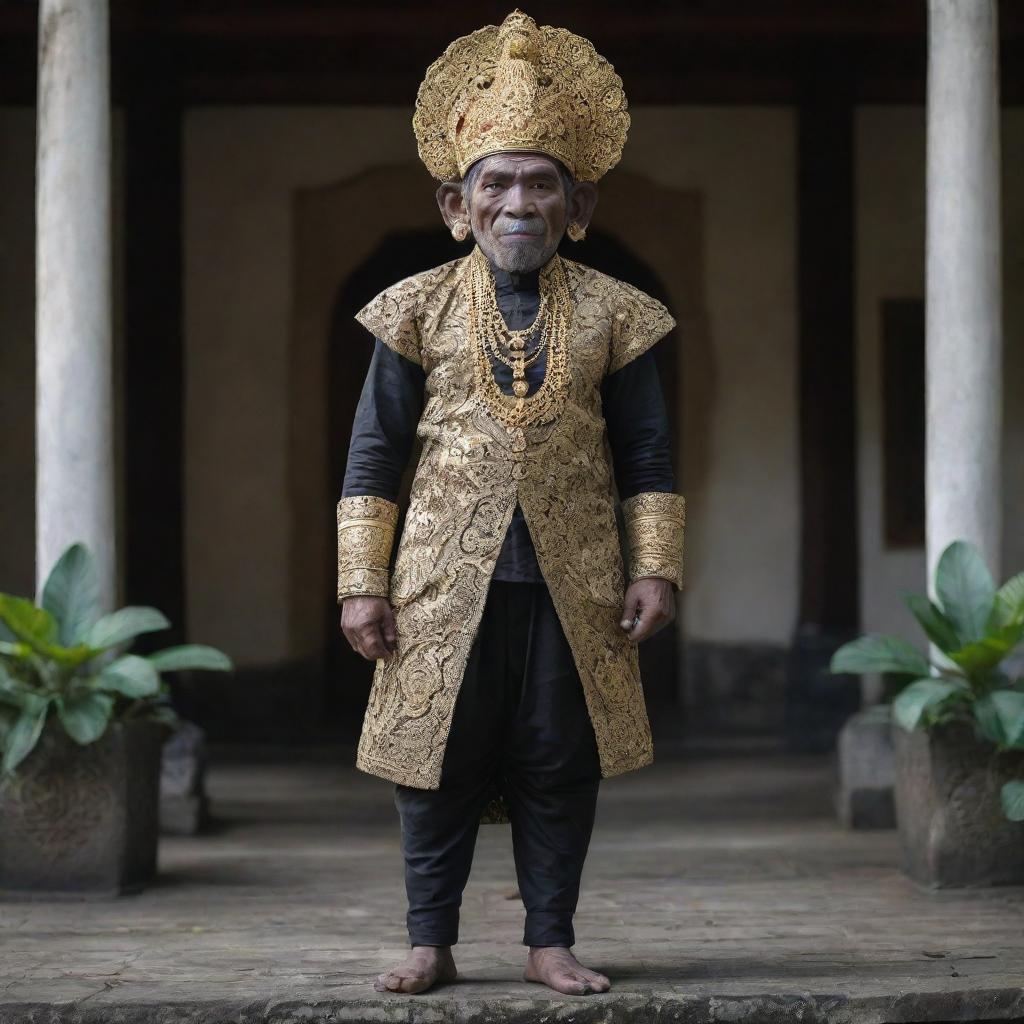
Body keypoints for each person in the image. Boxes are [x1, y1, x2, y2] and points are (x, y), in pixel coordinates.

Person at [336, 10, 686, 997]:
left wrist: (654, 565)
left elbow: (648, 451)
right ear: (459, 200)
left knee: (555, 760)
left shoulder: (620, 313)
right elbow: (372, 456)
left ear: (577, 202)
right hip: (440, 583)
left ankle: (549, 939)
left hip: (573, 583)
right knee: (432, 760)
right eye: (498, 183)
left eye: (542, 184)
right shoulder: (412, 308)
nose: (518, 202)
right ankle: (428, 940)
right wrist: (362, 583)